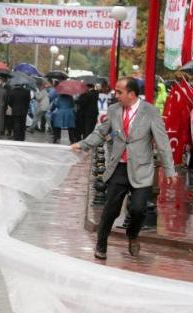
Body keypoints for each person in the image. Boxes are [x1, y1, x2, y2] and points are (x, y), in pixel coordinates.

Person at [71, 77, 177, 260]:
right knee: (111, 210)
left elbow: (163, 143)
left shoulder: (150, 112)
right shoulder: (113, 110)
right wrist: (83, 144)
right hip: (118, 168)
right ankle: (101, 244)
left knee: (138, 209)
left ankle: (133, 236)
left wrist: (170, 170)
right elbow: (101, 132)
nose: (115, 95)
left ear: (132, 94)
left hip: (141, 170)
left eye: (119, 92)